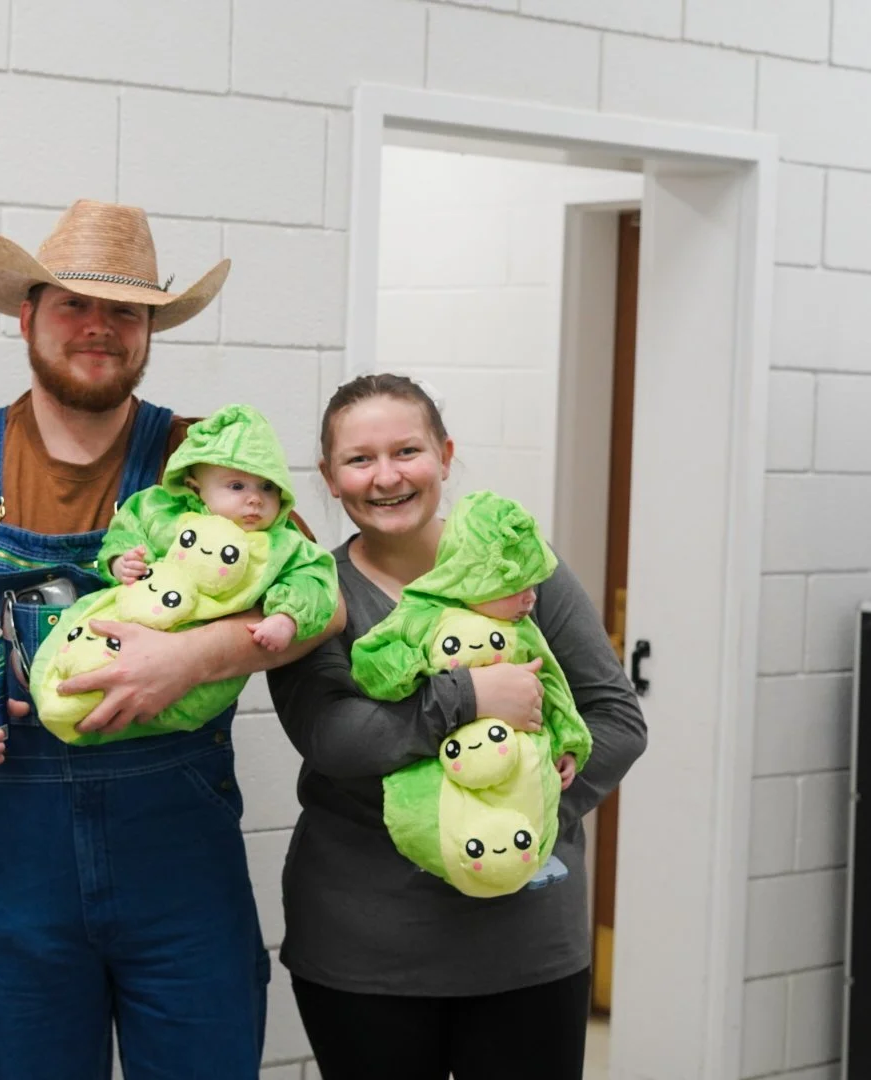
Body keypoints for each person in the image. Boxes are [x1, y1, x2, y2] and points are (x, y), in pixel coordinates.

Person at [0, 198, 343, 1080]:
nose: (99, 329)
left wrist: (191, 657)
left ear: (149, 330)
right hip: (15, 868)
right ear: (27, 316)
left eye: (125, 311)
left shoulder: (205, 461)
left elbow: (322, 605)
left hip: (181, 870)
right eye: (75, 305)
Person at [266, 373, 646, 1080]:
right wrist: (470, 697)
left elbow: (617, 719)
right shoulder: (313, 594)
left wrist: (524, 805)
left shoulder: (525, 572)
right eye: (359, 459)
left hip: (527, 946)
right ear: (329, 476)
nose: (386, 477)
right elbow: (335, 739)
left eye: (407, 450)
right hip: (367, 952)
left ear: (444, 454)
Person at [29, 401, 338, 741]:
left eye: (268, 487)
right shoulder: (165, 514)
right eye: (237, 486)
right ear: (195, 488)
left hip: (195, 676)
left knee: (147, 707)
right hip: (131, 619)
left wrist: (287, 617)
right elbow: (129, 525)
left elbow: (314, 580)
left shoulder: (281, 544)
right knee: (75, 651)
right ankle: (62, 695)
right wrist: (120, 560)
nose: (255, 499)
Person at [350, 488, 593, 897]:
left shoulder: (525, 632)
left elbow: (553, 685)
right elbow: (373, 662)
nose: (532, 598)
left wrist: (568, 742)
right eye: (517, 587)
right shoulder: (425, 614)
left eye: (534, 586)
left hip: (516, 764)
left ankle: (510, 855)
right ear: (475, 578)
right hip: (445, 766)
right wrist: (420, 673)